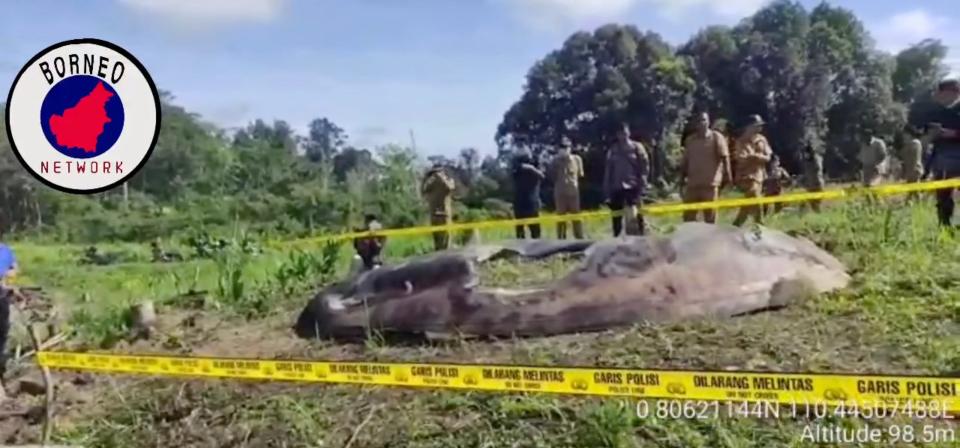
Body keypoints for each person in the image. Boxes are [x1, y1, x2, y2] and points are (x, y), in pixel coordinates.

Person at [679, 112, 731, 223]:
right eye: (699, 121)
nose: (701, 123)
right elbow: (685, 162)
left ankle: (710, 240)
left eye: (704, 120)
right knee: (688, 217)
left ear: (708, 122)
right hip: (693, 185)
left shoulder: (716, 137)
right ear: (695, 124)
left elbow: (725, 157)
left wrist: (728, 176)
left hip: (710, 185)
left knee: (710, 217)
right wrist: (681, 181)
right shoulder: (690, 140)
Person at [603, 123, 650, 236]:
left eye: (624, 133)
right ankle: (617, 238)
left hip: (633, 186)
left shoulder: (637, 147)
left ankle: (641, 236)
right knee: (616, 217)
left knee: (637, 215)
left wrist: (643, 181)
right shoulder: (613, 150)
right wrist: (607, 189)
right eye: (620, 133)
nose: (622, 136)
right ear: (617, 135)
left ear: (628, 133)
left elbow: (645, 166)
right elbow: (609, 170)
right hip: (617, 187)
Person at [925, 79, 960, 227]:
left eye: (942, 93)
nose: (939, 97)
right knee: (943, 197)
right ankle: (945, 227)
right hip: (941, 159)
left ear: (954, 92)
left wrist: (952, 134)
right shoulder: (937, 112)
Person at [731, 114, 772, 227]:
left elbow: (767, 157)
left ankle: (736, 225)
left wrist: (755, 156)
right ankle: (760, 224)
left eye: (760, 126)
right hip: (746, 176)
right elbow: (741, 159)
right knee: (754, 196)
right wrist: (756, 157)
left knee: (749, 202)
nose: (759, 128)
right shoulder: (741, 141)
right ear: (749, 127)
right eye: (756, 126)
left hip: (759, 176)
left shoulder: (762, 140)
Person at [550, 137, 585, 239]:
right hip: (560, 193)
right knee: (561, 219)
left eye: (566, 147)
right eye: (561, 147)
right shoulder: (554, 161)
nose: (563, 149)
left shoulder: (577, 159)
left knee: (577, 218)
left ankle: (579, 240)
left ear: (570, 147)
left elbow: (580, 175)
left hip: (573, 193)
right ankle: (561, 241)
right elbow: (551, 176)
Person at [421, 163, 456, 251]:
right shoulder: (431, 185)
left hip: (444, 215)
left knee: (446, 241)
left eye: (438, 173)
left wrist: (441, 177)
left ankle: (446, 258)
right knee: (437, 241)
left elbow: (450, 187)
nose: (436, 175)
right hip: (434, 215)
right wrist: (425, 178)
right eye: (434, 174)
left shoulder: (448, 182)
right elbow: (423, 191)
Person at [511, 151, 545, 239]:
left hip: (533, 201)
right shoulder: (517, 162)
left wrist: (530, 168)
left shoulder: (536, 161)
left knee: (535, 231)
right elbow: (514, 170)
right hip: (519, 202)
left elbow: (542, 176)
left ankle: (537, 251)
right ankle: (521, 251)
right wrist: (524, 167)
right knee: (520, 232)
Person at [0, 241, 18, 388]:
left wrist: (9, 275)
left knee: (2, 332)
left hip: (2, 296)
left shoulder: (5, 250)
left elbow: (13, 268)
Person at [800, 144, 825, 212]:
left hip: (817, 185)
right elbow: (806, 174)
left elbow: (817, 169)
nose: (805, 155)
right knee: (812, 205)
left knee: (817, 204)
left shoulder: (816, 160)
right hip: (810, 187)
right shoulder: (806, 162)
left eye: (806, 153)